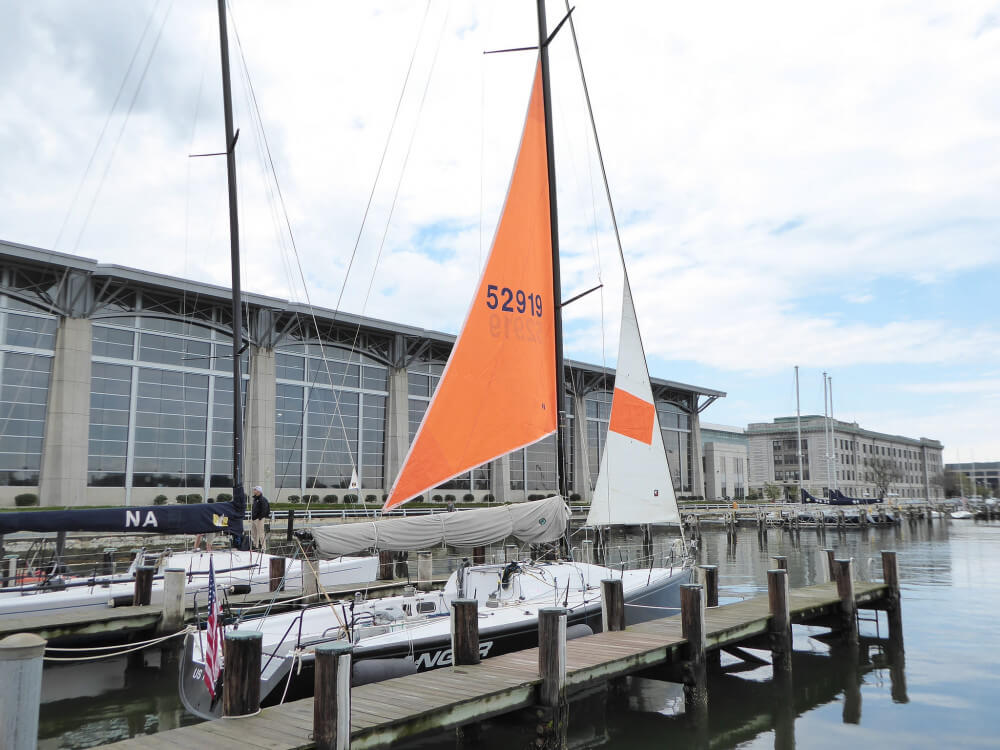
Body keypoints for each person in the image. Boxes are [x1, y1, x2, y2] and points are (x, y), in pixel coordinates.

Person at [251, 486, 271, 551]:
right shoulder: (255, 499)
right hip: (254, 519)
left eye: (255, 490)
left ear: (259, 491)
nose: (254, 491)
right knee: (254, 533)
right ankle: (255, 546)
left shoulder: (263, 499)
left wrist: (260, 517)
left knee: (261, 533)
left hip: (259, 519)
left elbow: (265, 509)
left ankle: (263, 548)